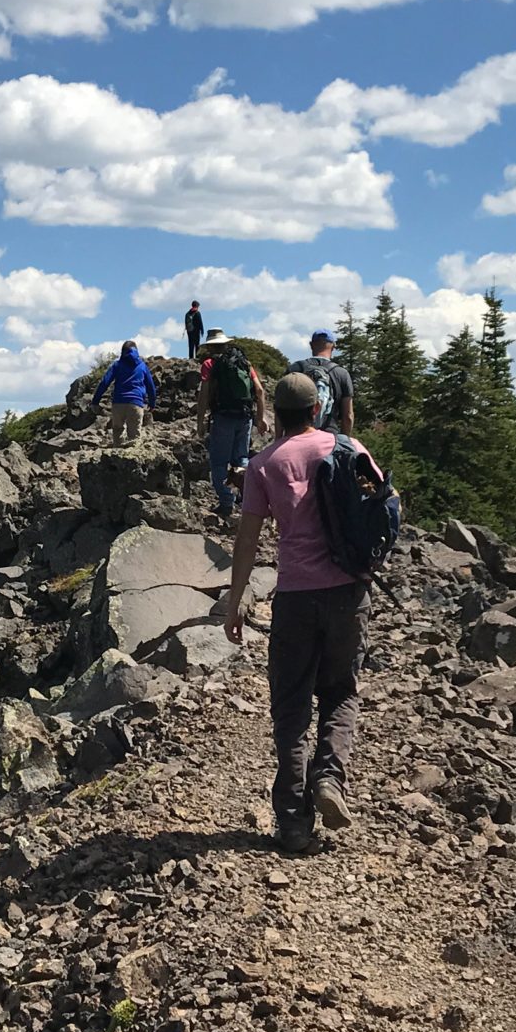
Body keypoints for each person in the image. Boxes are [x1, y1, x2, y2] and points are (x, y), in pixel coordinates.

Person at [220, 372, 370, 854]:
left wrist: (235, 600)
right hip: (349, 591)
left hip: (295, 597)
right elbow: (386, 504)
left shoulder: (263, 463)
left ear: (276, 416)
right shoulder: (347, 448)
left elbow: (247, 539)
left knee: (290, 707)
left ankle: (292, 824)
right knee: (340, 690)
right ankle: (329, 778)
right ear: (314, 410)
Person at [198, 330, 267, 519]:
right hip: (245, 417)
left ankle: (226, 503)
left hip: (223, 417)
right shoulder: (244, 362)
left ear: (211, 346)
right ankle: (246, 501)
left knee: (219, 462)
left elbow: (204, 394)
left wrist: (200, 421)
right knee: (241, 459)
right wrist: (261, 418)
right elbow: (259, 391)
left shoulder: (209, 364)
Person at [290, 329, 356, 432]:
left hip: (297, 435)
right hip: (329, 435)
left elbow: (280, 407)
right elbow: (348, 416)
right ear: (333, 347)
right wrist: (343, 442)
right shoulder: (342, 373)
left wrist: (279, 439)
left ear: (311, 345)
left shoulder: (295, 369)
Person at [93, 340, 156, 443]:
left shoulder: (117, 365)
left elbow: (104, 382)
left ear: (122, 352)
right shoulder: (142, 366)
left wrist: (95, 401)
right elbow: (151, 386)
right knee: (134, 438)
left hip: (118, 403)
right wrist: (152, 403)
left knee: (118, 434)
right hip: (136, 404)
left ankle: (116, 455)